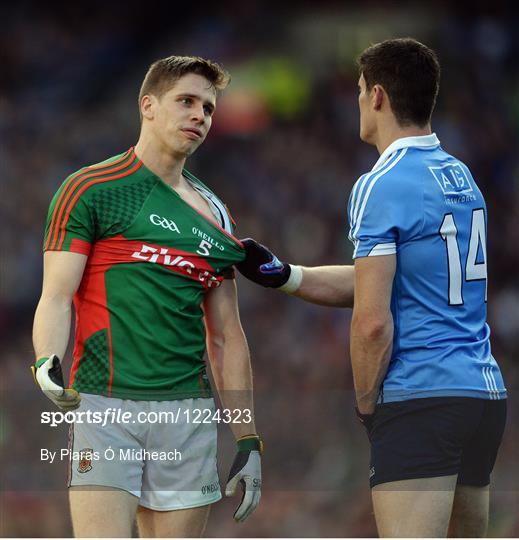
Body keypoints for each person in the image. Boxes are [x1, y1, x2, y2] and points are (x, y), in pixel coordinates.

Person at [237, 38, 506, 538]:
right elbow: (390, 282)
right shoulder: (462, 176)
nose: (359, 101)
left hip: (421, 394)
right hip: (481, 395)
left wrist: (368, 408)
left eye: (361, 91)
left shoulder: (381, 182)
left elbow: (374, 322)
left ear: (377, 96)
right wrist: (286, 275)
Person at [31, 55, 262, 538]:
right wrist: (45, 361)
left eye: (208, 107)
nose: (200, 115)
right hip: (105, 406)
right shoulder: (90, 190)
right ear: (148, 106)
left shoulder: (216, 215)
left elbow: (226, 336)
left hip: (188, 415)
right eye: (186, 101)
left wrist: (248, 439)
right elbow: (55, 295)